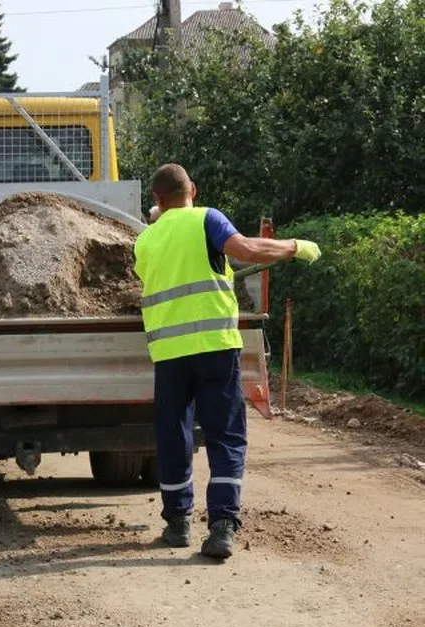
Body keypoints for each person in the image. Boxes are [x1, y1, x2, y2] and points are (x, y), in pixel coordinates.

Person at [134, 164, 320, 559]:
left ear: (156, 200)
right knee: (225, 435)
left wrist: (159, 218)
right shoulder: (207, 219)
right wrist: (293, 247)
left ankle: (177, 523)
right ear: (194, 190)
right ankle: (221, 528)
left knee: (173, 436)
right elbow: (246, 251)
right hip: (215, 348)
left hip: (168, 355)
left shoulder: (145, 241)